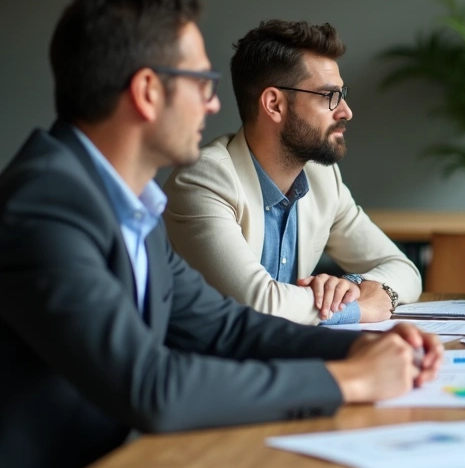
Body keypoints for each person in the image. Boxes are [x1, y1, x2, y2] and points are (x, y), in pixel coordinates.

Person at [0, 0, 442, 468]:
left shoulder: (126, 205)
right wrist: (347, 380)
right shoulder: (46, 206)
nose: (212, 105)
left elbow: (226, 327)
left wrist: (364, 345)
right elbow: (152, 386)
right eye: (200, 82)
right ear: (146, 92)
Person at [163, 20, 421, 325]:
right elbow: (258, 305)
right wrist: (358, 308)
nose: (346, 111)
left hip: (286, 359)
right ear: (274, 104)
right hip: (205, 367)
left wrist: (351, 286)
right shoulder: (202, 181)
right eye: (329, 97)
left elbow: (404, 269)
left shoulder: (323, 180)